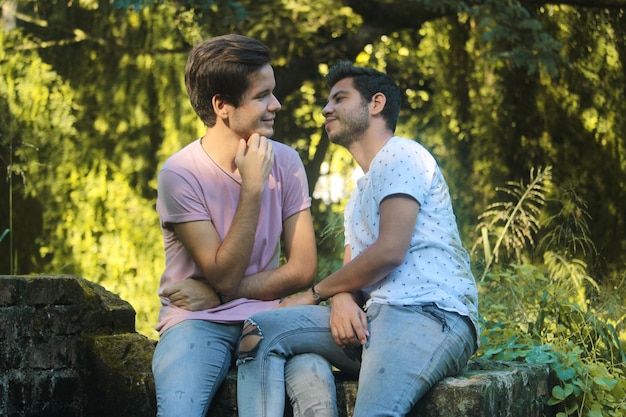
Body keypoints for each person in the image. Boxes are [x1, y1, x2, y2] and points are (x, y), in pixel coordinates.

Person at [236, 61, 480, 417]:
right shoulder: (358, 195)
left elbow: (389, 251)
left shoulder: (402, 154)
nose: (326, 109)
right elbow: (355, 270)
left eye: (339, 98)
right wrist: (343, 299)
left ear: (375, 104)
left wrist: (315, 294)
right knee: (259, 332)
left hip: (428, 314)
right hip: (374, 320)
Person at [151, 34, 337, 417]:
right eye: (262, 96)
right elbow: (222, 270)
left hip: (272, 320)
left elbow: (303, 268)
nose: (276, 105)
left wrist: (221, 294)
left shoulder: (285, 162)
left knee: (316, 391)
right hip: (197, 323)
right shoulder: (180, 174)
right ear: (222, 106)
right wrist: (252, 187)